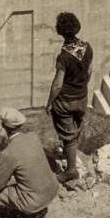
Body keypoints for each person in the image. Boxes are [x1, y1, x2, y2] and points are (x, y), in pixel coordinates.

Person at [0, 108, 59, 218]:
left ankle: (25, 216)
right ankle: (37, 208)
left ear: (4, 125)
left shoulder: (8, 153)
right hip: (52, 191)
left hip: (32, 203)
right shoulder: (33, 137)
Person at [47, 11, 95, 182]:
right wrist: (81, 87)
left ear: (60, 30)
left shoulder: (64, 57)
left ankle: (71, 170)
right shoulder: (86, 47)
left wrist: (49, 103)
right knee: (75, 128)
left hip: (66, 101)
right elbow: (89, 71)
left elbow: (58, 84)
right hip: (82, 97)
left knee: (67, 132)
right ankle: (71, 152)